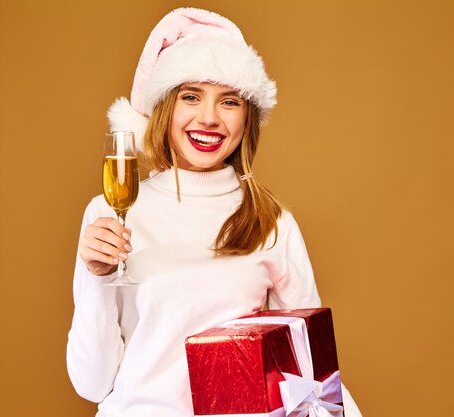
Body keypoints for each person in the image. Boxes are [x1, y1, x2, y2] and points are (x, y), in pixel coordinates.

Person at [67, 7, 362, 417]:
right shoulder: (111, 212)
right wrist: (96, 279)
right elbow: (91, 383)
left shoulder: (271, 223)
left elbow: (309, 372)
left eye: (229, 101)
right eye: (190, 96)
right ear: (164, 109)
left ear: (248, 120)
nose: (208, 118)